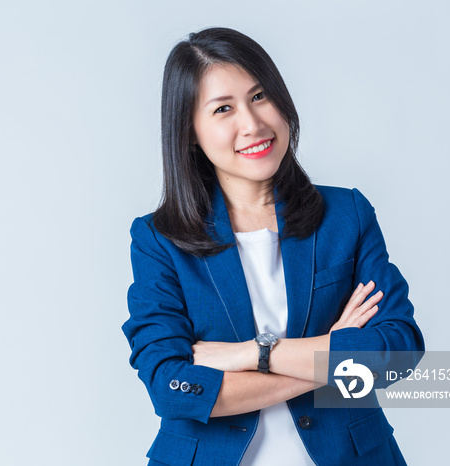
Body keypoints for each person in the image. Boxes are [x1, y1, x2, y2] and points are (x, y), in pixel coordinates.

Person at [122, 27, 424, 466]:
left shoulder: (346, 215)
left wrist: (255, 354)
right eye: (223, 108)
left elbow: (397, 352)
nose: (253, 124)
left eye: (260, 96)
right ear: (190, 131)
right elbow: (171, 388)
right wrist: (331, 352)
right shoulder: (159, 240)